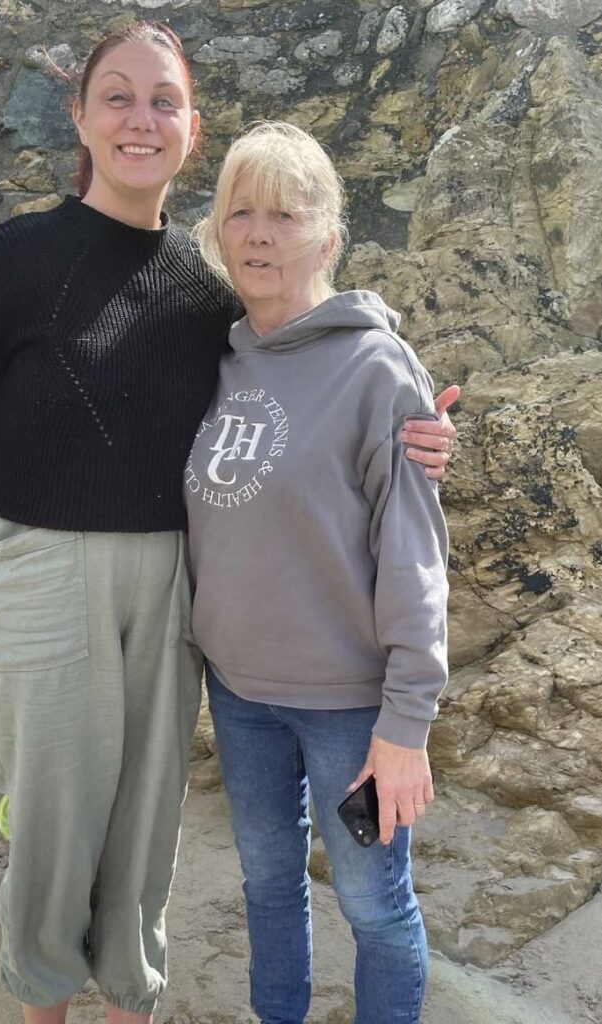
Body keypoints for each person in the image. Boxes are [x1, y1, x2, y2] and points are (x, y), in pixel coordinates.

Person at [0, 22, 455, 1024]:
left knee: (147, 823)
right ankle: (43, 1006)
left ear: (190, 131)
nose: (140, 118)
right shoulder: (21, 256)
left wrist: (422, 433)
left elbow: (313, 355)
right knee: (56, 828)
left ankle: (128, 1007)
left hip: (171, 587)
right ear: (81, 115)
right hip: (44, 577)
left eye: (163, 101)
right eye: (118, 95)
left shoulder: (205, 298)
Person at [186, 121, 449, 1024]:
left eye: (285, 214)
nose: (259, 233)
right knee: (266, 883)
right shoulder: (211, 359)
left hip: (352, 702)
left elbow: (416, 552)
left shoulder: (377, 368)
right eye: (240, 213)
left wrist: (406, 724)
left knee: (373, 906)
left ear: (327, 236)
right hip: (238, 692)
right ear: (218, 233)